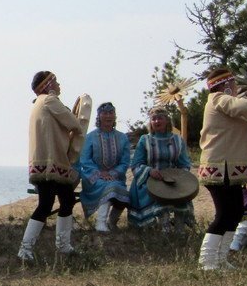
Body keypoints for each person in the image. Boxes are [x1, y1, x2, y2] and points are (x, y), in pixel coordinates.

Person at [196, 68, 247, 270]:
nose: (237, 88)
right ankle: (207, 261)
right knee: (224, 214)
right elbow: (244, 106)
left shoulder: (223, 103)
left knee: (235, 212)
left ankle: (221, 259)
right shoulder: (218, 99)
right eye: (234, 84)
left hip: (228, 168)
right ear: (225, 85)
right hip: (218, 166)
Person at [17, 70, 84, 261]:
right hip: (51, 163)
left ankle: (63, 246)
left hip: (47, 162)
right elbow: (74, 124)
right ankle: (25, 249)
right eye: (56, 82)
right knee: (46, 204)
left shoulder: (39, 103)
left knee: (67, 199)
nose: (60, 85)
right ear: (48, 85)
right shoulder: (49, 100)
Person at [128, 107, 194, 229]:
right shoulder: (145, 140)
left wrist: (181, 178)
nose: (157, 121)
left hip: (173, 180)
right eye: (154, 119)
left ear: (167, 121)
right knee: (157, 194)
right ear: (150, 122)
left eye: (160, 118)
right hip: (150, 180)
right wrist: (149, 171)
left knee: (182, 195)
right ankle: (164, 228)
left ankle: (180, 229)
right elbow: (136, 164)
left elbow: (184, 164)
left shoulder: (177, 140)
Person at [76, 102, 130, 232]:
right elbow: (85, 160)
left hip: (115, 177)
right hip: (93, 177)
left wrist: (113, 173)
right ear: (99, 116)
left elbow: (125, 161)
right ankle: (100, 223)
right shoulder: (90, 137)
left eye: (111, 113)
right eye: (105, 113)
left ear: (115, 116)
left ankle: (112, 221)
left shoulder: (122, 138)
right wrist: (100, 173)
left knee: (124, 193)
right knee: (109, 187)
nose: (108, 116)